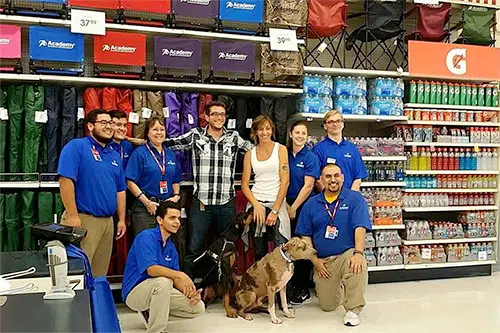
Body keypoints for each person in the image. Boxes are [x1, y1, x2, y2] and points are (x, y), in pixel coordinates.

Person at [164, 101, 253, 278]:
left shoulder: (234, 137)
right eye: (214, 114)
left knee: (227, 248)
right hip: (201, 203)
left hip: (226, 203)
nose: (219, 117)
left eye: (222, 114)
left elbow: (256, 151)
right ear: (206, 116)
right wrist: (139, 142)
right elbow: (170, 144)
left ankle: (223, 289)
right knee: (194, 248)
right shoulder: (196, 135)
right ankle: (189, 288)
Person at [296, 163, 371, 327]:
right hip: (324, 261)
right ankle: (339, 287)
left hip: (347, 254)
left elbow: (360, 227)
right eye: (328, 176)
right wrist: (314, 260)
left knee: (357, 264)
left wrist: (358, 253)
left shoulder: (354, 198)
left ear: (342, 178)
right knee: (327, 306)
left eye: (336, 175)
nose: (333, 180)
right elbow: (305, 235)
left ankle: (353, 309)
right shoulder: (311, 204)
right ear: (321, 179)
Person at [58, 109, 127, 276]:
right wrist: (73, 216)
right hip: (84, 219)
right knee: (78, 272)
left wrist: (121, 219)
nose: (109, 127)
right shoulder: (77, 147)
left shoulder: (114, 154)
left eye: (110, 123)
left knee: (99, 274)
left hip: (107, 223)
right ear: (90, 126)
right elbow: (65, 181)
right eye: (103, 123)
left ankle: (95, 303)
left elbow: (120, 190)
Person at [122, 201, 205, 333]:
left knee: (198, 307)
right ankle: (156, 330)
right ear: (160, 220)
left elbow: (176, 280)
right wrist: (180, 275)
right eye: (172, 218)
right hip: (134, 293)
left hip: (159, 291)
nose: (177, 222)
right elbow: (152, 269)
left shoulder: (171, 247)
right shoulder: (146, 237)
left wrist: (190, 293)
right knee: (163, 281)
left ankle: (152, 314)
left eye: (178, 218)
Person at [241, 115, 290, 260]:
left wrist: (274, 210)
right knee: (259, 253)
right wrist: (256, 205)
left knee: (282, 251)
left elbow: (285, 181)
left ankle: (283, 283)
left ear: (272, 130)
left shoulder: (281, 149)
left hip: (277, 205)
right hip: (257, 204)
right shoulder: (250, 154)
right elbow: (244, 184)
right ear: (255, 132)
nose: (264, 132)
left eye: (268, 129)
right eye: (261, 129)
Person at [126, 116, 182, 237]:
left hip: (166, 209)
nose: (159, 133)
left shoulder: (170, 154)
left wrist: (176, 196)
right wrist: (147, 202)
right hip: (145, 209)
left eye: (162, 129)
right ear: (147, 133)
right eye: (155, 129)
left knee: (165, 246)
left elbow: (176, 180)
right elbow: (130, 182)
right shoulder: (139, 153)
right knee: (145, 245)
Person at [286, 120, 320, 306]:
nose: (300, 136)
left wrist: (294, 207)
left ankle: (302, 287)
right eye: (297, 132)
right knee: (289, 245)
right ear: (291, 134)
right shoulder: (284, 153)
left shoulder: (310, 157)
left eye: (303, 133)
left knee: (302, 245)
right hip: (286, 204)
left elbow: (308, 186)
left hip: (304, 206)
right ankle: (289, 284)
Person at [313, 110, 367, 191]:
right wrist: (329, 196)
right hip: (328, 200)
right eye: (331, 122)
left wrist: (350, 197)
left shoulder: (352, 149)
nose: (335, 124)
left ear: (343, 124)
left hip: (349, 199)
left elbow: (358, 178)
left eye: (338, 121)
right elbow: (316, 179)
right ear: (325, 126)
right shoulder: (318, 149)